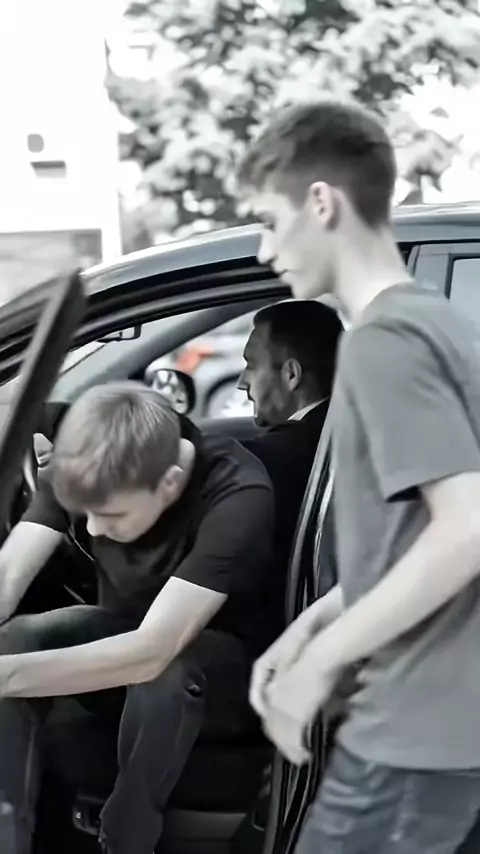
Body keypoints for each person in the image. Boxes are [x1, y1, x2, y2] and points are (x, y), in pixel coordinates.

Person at [236, 98, 480, 853]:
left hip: (411, 732)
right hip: (444, 730)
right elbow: (416, 536)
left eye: (270, 221)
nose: (264, 250)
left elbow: (467, 529)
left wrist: (322, 662)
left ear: (322, 203)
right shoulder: (442, 322)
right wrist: (312, 624)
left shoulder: (382, 341)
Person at [0, 381, 275, 854]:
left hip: (221, 676)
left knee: (166, 670)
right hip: (132, 640)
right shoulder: (91, 462)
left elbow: (154, 650)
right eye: (83, 512)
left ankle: (127, 836)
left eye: (111, 515)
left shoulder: (237, 492)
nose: (93, 528)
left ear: (169, 482)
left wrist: (5, 677)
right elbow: (7, 576)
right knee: (21, 637)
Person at [238, 299, 341, 599]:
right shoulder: (343, 429)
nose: (242, 382)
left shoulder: (274, 457)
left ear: (291, 374)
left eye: (251, 365)